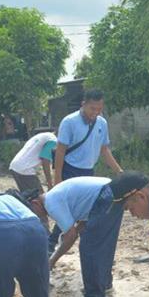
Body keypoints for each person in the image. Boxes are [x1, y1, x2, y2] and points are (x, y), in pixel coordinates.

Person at [34, 176, 125, 297]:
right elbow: (85, 219)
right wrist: (75, 231)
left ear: (35, 203)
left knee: (90, 247)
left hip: (105, 194)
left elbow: (71, 237)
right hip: (112, 191)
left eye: (32, 212)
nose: (35, 216)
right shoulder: (56, 196)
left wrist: (52, 261)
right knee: (102, 244)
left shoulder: (51, 203)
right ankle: (104, 284)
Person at [49, 89, 123, 250]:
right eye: (92, 109)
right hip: (70, 169)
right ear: (84, 104)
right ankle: (51, 243)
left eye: (99, 109)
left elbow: (104, 150)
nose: (95, 113)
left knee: (87, 210)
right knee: (67, 209)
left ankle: (87, 244)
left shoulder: (102, 123)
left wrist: (119, 171)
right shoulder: (69, 122)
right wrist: (58, 179)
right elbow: (60, 151)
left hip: (88, 172)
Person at [9, 128, 57, 193]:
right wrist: (50, 184)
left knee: (28, 198)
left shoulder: (43, 136)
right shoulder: (53, 140)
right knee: (40, 199)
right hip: (25, 169)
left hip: (15, 166)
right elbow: (45, 160)